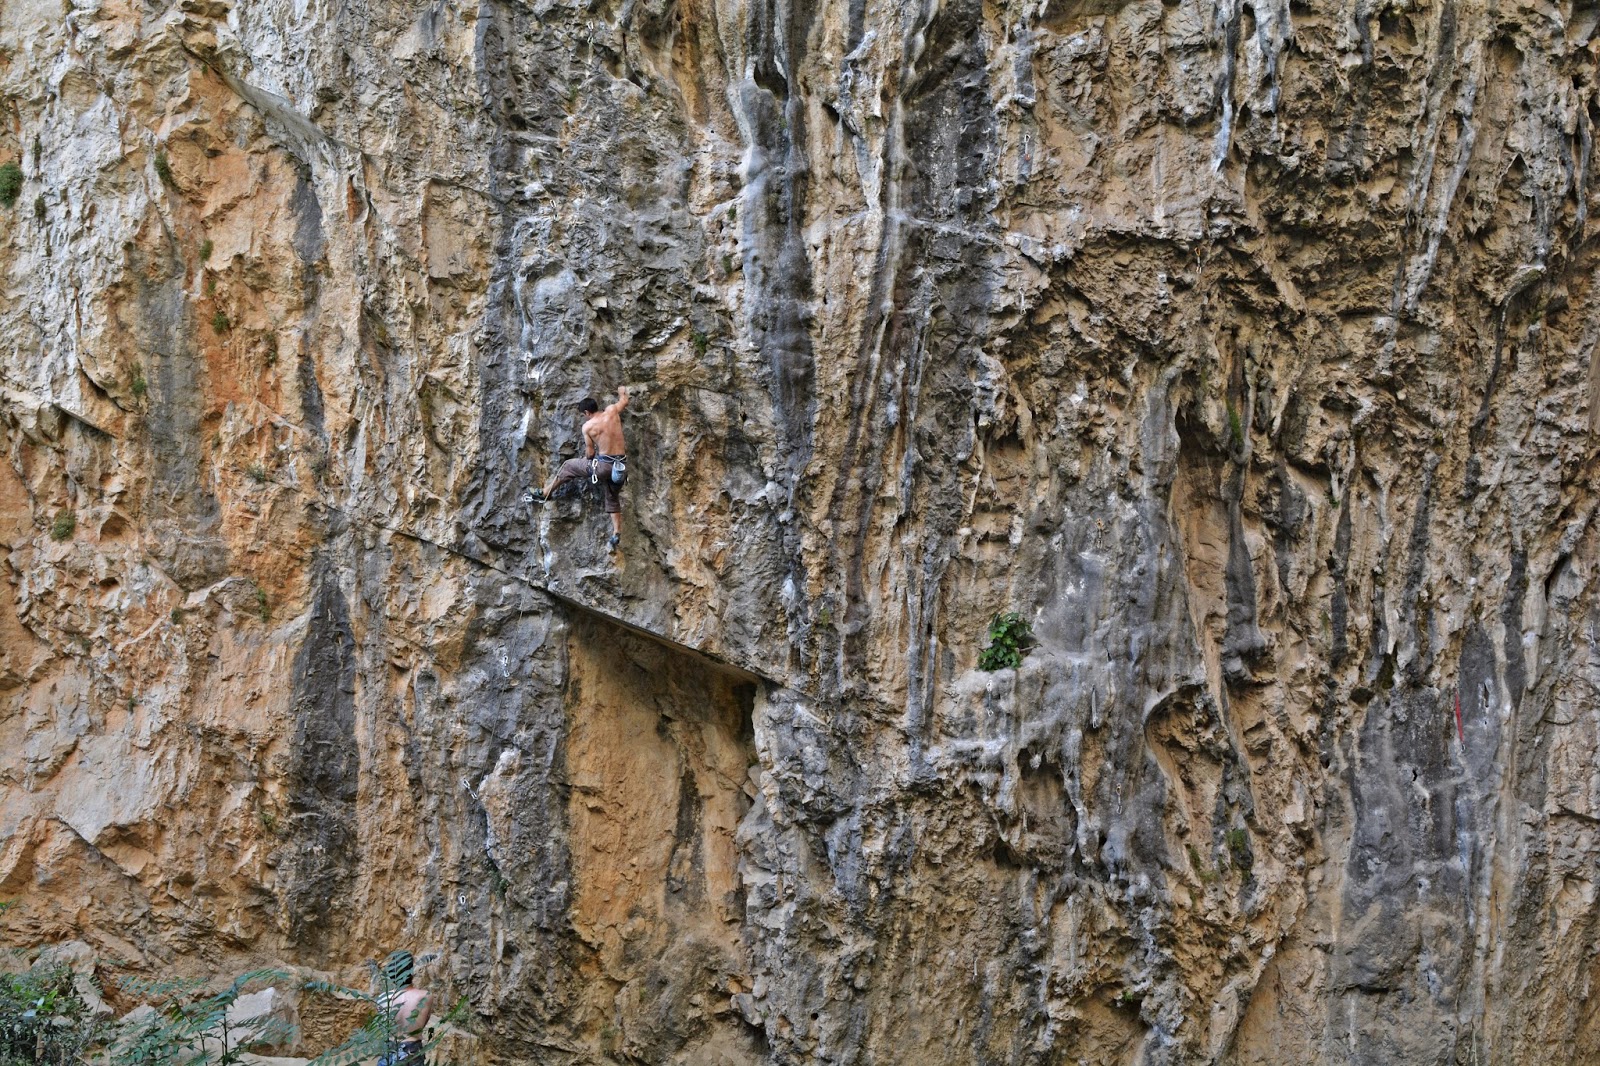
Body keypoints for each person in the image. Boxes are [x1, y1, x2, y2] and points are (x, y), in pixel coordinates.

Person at [531, 386, 630, 549]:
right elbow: (624, 401)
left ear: (586, 412)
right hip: (621, 467)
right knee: (612, 497)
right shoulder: (612, 411)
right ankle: (616, 533)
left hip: (603, 467)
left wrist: (587, 460)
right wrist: (621, 391)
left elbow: (590, 453)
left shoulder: (588, 427)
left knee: (569, 465)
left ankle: (546, 492)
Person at [376, 950, 431, 1066]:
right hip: (412, 1052)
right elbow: (423, 1023)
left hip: (389, 1051)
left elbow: (383, 1027)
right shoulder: (425, 996)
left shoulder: (382, 998)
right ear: (411, 971)